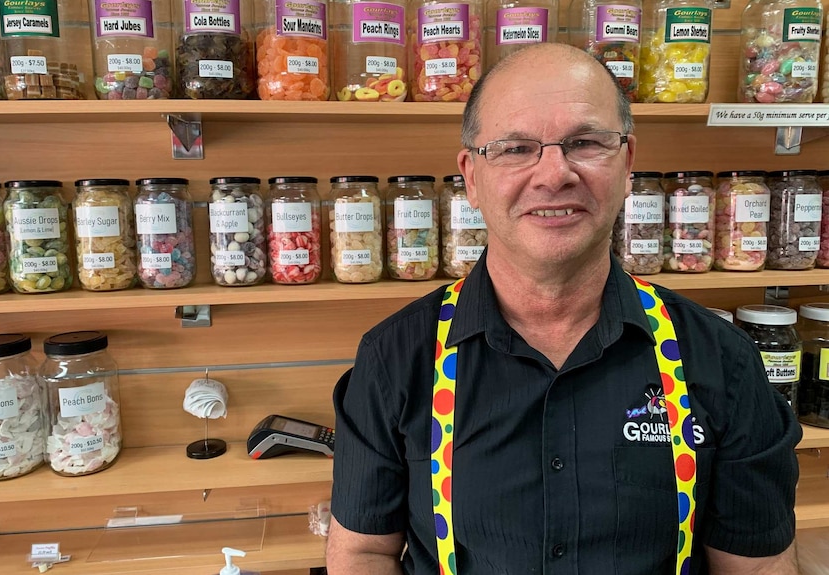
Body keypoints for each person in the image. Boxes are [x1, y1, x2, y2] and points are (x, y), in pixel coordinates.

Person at [326, 43, 801, 575]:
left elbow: (758, 567)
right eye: (514, 148)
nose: (554, 174)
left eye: (586, 142)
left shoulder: (724, 361)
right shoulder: (393, 359)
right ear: (471, 178)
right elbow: (364, 553)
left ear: (627, 165)